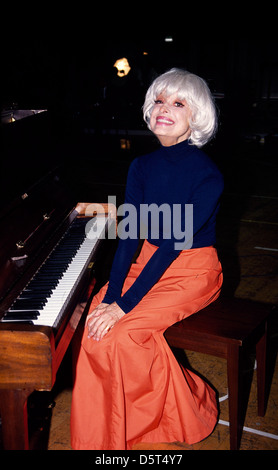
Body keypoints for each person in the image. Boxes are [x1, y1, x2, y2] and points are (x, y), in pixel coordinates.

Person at [71, 68, 224, 450]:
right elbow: (129, 235)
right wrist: (110, 297)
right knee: (94, 325)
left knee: (121, 336)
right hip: (147, 261)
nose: (163, 108)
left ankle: (175, 412)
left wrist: (123, 305)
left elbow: (173, 245)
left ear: (197, 116)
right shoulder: (141, 166)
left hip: (193, 270)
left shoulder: (208, 175)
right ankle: (98, 442)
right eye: (158, 100)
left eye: (178, 103)